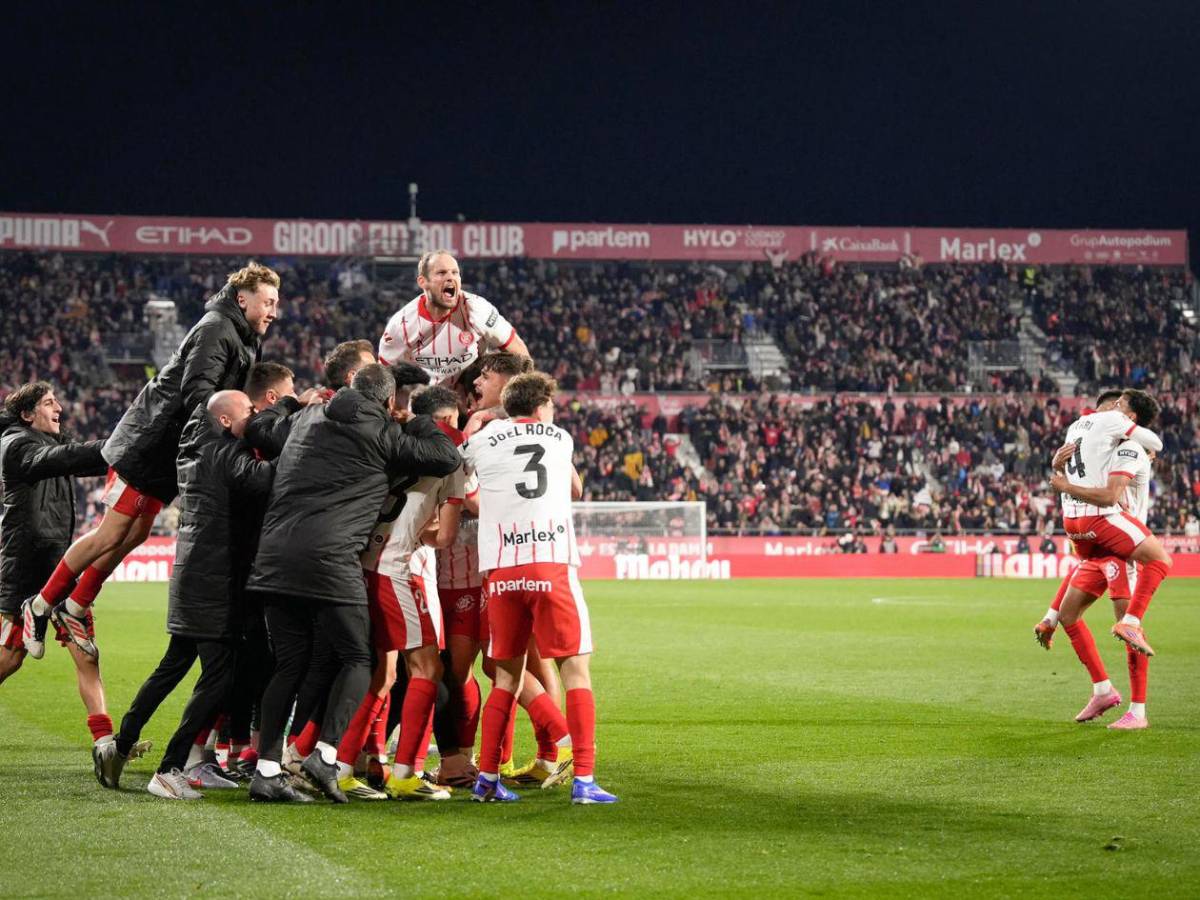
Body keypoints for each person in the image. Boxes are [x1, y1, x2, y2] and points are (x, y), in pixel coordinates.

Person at [22, 262, 280, 655]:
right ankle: (40, 606)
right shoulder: (217, 329)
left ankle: (74, 606)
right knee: (111, 533)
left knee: (138, 534)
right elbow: (198, 391)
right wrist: (226, 434)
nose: (273, 311)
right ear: (243, 298)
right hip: (148, 441)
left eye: (276, 303)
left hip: (166, 450)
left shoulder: (244, 336)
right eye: (268, 301)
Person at [246, 364, 460, 803]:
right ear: (385, 401)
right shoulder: (379, 430)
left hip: (273, 557)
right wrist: (415, 416)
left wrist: (291, 402)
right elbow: (445, 456)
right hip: (329, 560)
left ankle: (266, 770)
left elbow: (260, 429)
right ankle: (325, 757)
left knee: (289, 665)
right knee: (357, 658)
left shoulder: (307, 417)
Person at [97, 391, 275, 798]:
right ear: (226, 420)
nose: (256, 414)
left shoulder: (195, 448)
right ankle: (170, 768)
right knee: (218, 676)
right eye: (249, 410)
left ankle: (120, 746)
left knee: (172, 667)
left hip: (193, 575)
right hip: (213, 580)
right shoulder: (224, 453)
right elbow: (266, 477)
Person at [463, 372, 617, 805]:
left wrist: (481, 427)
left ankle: (488, 779)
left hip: (502, 571)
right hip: (550, 564)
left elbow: (461, 470)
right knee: (575, 671)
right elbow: (573, 486)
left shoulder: (481, 439)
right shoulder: (560, 438)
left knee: (505, 679)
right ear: (541, 407)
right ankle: (584, 779)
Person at [0, 383, 139, 774]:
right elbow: (60, 459)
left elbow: (82, 458)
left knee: (85, 650)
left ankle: (103, 742)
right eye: (48, 403)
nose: (59, 408)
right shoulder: (16, 446)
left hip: (62, 567)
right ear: (27, 415)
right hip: (26, 568)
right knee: (11, 657)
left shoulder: (49, 441)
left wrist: (127, 451)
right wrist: (117, 446)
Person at [349, 384, 467, 801]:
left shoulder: (395, 444)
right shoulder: (453, 458)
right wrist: (427, 529)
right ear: (449, 421)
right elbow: (445, 536)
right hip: (399, 570)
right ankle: (406, 774)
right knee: (428, 670)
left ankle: (345, 766)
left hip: (363, 565)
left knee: (382, 674)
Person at [1050, 390, 1169, 657]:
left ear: (1130, 416)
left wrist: (1057, 469)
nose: (1115, 406)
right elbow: (1109, 495)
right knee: (1159, 562)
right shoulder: (1121, 441)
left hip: (1092, 525)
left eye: (1121, 403)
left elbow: (1079, 472)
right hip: (1117, 530)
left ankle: (1103, 688)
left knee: (1071, 613)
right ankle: (1130, 626)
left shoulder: (1099, 436)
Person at [378, 250, 529, 386]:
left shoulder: (477, 309)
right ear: (423, 282)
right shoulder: (401, 324)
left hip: (471, 398)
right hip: (423, 405)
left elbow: (518, 351)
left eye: (455, 272)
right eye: (442, 273)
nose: (450, 277)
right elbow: (384, 375)